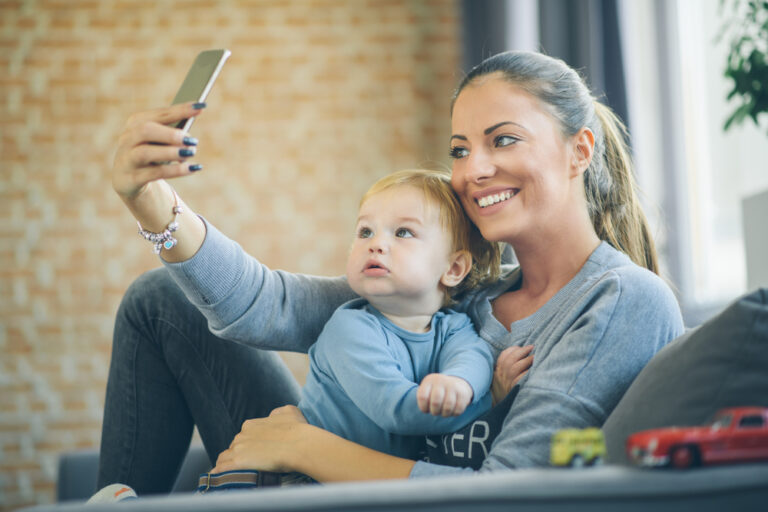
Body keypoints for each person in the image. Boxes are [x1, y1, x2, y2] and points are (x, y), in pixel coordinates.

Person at [100, 50, 683, 493]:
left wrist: (306, 448)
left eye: (503, 140)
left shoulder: (620, 299)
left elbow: (510, 493)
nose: (474, 169)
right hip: (322, 479)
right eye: (459, 149)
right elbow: (265, 302)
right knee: (161, 301)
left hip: (373, 494)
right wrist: (149, 201)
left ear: (579, 151)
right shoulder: (463, 288)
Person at [291, 169, 502, 463]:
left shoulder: (454, 327)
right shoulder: (350, 329)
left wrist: (460, 384)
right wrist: (491, 400)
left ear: (453, 269)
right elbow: (400, 412)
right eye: (365, 231)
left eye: (403, 232)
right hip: (302, 482)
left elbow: (474, 360)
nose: (375, 244)